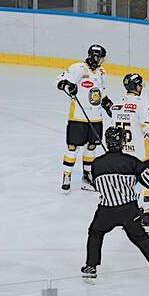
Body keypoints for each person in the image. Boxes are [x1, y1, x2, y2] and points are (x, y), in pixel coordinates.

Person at [81, 126, 149, 282]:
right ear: (123, 142)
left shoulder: (96, 164)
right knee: (140, 237)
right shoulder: (131, 162)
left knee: (95, 233)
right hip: (129, 210)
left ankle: (91, 266)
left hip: (106, 211)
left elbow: (96, 185)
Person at [110, 73, 149, 231]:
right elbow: (148, 127)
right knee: (146, 185)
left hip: (123, 153)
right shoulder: (142, 103)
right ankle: (145, 216)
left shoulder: (116, 105)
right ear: (137, 87)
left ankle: (127, 216)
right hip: (141, 155)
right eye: (140, 85)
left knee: (127, 186)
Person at [55, 44, 112, 194]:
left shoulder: (102, 72)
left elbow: (101, 91)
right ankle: (66, 176)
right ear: (95, 57)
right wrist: (68, 86)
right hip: (78, 117)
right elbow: (59, 80)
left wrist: (107, 104)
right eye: (101, 58)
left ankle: (87, 177)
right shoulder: (78, 68)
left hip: (96, 117)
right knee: (72, 148)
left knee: (92, 146)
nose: (102, 61)